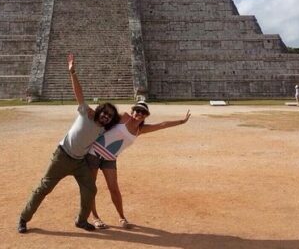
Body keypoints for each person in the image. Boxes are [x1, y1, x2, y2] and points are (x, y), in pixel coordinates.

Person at [17, 54, 120, 233]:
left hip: (79, 162)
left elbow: (123, 124)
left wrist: (137, 118)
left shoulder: (103, 129)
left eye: (109, 116)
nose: (106, 116)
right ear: (100, 110)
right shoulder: (85, 113)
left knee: (90, 189)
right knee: (44, 188)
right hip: (62, 156)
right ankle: (23, 218)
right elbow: (79, 93)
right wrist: (72, 72)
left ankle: (81, 220)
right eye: (105, 113)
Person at [86, 100, 191, 229]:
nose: (140, 113)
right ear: (132, 111)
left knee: (114, 189)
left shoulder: (140, 130)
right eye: (137, 110)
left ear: (146, 116)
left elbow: (162, 124)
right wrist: (91, 112)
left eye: (143, 112)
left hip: (110, 158)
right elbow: (106, 115)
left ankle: (122, 217)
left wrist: (182, 121)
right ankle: (95, 217)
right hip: (94, 153)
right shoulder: (124, 117)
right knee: (90, 187)